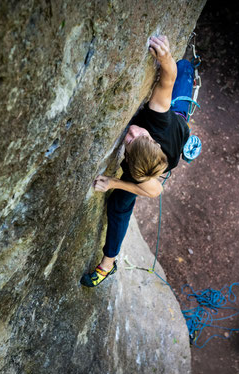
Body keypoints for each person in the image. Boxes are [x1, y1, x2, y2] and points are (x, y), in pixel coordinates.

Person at [80, 35, 197, 287]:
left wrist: (114, 182)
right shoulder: (157, 116)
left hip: (168, 145)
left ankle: (107, 264)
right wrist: (165, 58)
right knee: (183, 67)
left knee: (118, 206)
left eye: (130, 141)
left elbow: (155, 191)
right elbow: (169, 76)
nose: (131, 131)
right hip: (175, 121)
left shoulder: (142, 170)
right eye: (135, 136)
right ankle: (107, 265)